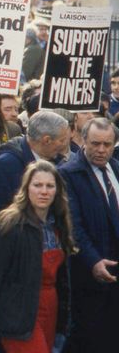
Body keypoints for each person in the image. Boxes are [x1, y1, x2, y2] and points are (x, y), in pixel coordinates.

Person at [0, 160, 76, 353]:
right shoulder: (11, 224)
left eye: (50, 186)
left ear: (57, 191)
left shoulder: (58, 224)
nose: (44, 191)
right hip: (19, 312)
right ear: (26, 188)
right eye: (37, 185)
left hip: (51, 307)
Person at [58, 118, 119, 351]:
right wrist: (93, 261)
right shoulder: (68, 174)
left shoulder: (116, 168)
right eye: (95, 144)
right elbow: (73, 224)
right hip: (89, 277)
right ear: (83, 140)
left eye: (107, 144)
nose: (101, 150)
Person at [0, 110, 70, 221]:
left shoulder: (58, 163)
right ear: (47, 140)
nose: (64, 145)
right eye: (62, 140)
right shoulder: (6, 164)